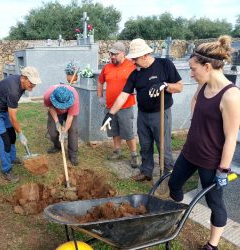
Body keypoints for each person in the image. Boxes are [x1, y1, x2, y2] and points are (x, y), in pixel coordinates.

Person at [168, 36, 240, 250]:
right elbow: (195, 102)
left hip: (211, 161)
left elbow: (230, 137)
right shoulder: (204, 85)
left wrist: (223, 170)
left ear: (207, 66)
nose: (190, 73)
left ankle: (212, 244)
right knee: (173, 185)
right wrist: (196, 125)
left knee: (214, 203)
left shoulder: (231, 96)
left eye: (193, 68)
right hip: (190, 152)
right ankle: (178, 215)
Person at [102, 38, 183, 182]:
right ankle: (146, 172)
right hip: (143, 114)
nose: (133, 62)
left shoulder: (164, 65)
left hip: (161, 113)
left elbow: (179, 87)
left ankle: (168, 174)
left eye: (135, 58)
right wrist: (110, 114)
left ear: (145, 55)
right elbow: (123, 95)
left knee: (163, 145)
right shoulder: (135, 73)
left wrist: (165, 85)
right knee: (145, 144)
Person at [0, 66, 41, 183]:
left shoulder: (20, 83)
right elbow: (13, 117)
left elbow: (10, 112)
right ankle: (6, 170)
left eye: (34, 83)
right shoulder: (14, 90)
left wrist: (16, 133)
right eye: (31, 83)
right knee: (5, 141)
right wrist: (21, 133)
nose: (33, 86)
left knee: (11, 136)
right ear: (23, 78)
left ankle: (13, 158)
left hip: (4, 110)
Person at [98, 42, 139, 167]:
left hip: (125, 107)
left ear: (123, 53)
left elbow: (139, 82)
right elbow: (100, 82)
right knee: (114, 130)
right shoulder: (107, 67)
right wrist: (100, 96)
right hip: (110, 107)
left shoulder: (132, 66)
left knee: (128, 132)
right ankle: (117, 151)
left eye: (115, 54)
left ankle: (134, 155)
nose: (112, 56)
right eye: (111, 54)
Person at [44, 85, 80, 166]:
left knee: (73, 130)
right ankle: (57, 146)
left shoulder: (74, 97)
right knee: (52, 131)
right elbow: (51, 108)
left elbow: (70, 117)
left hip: (69, 112)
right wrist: (57, 122)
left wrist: (64, 132)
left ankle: (73, 154)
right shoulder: (48, 95)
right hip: (55, 112)